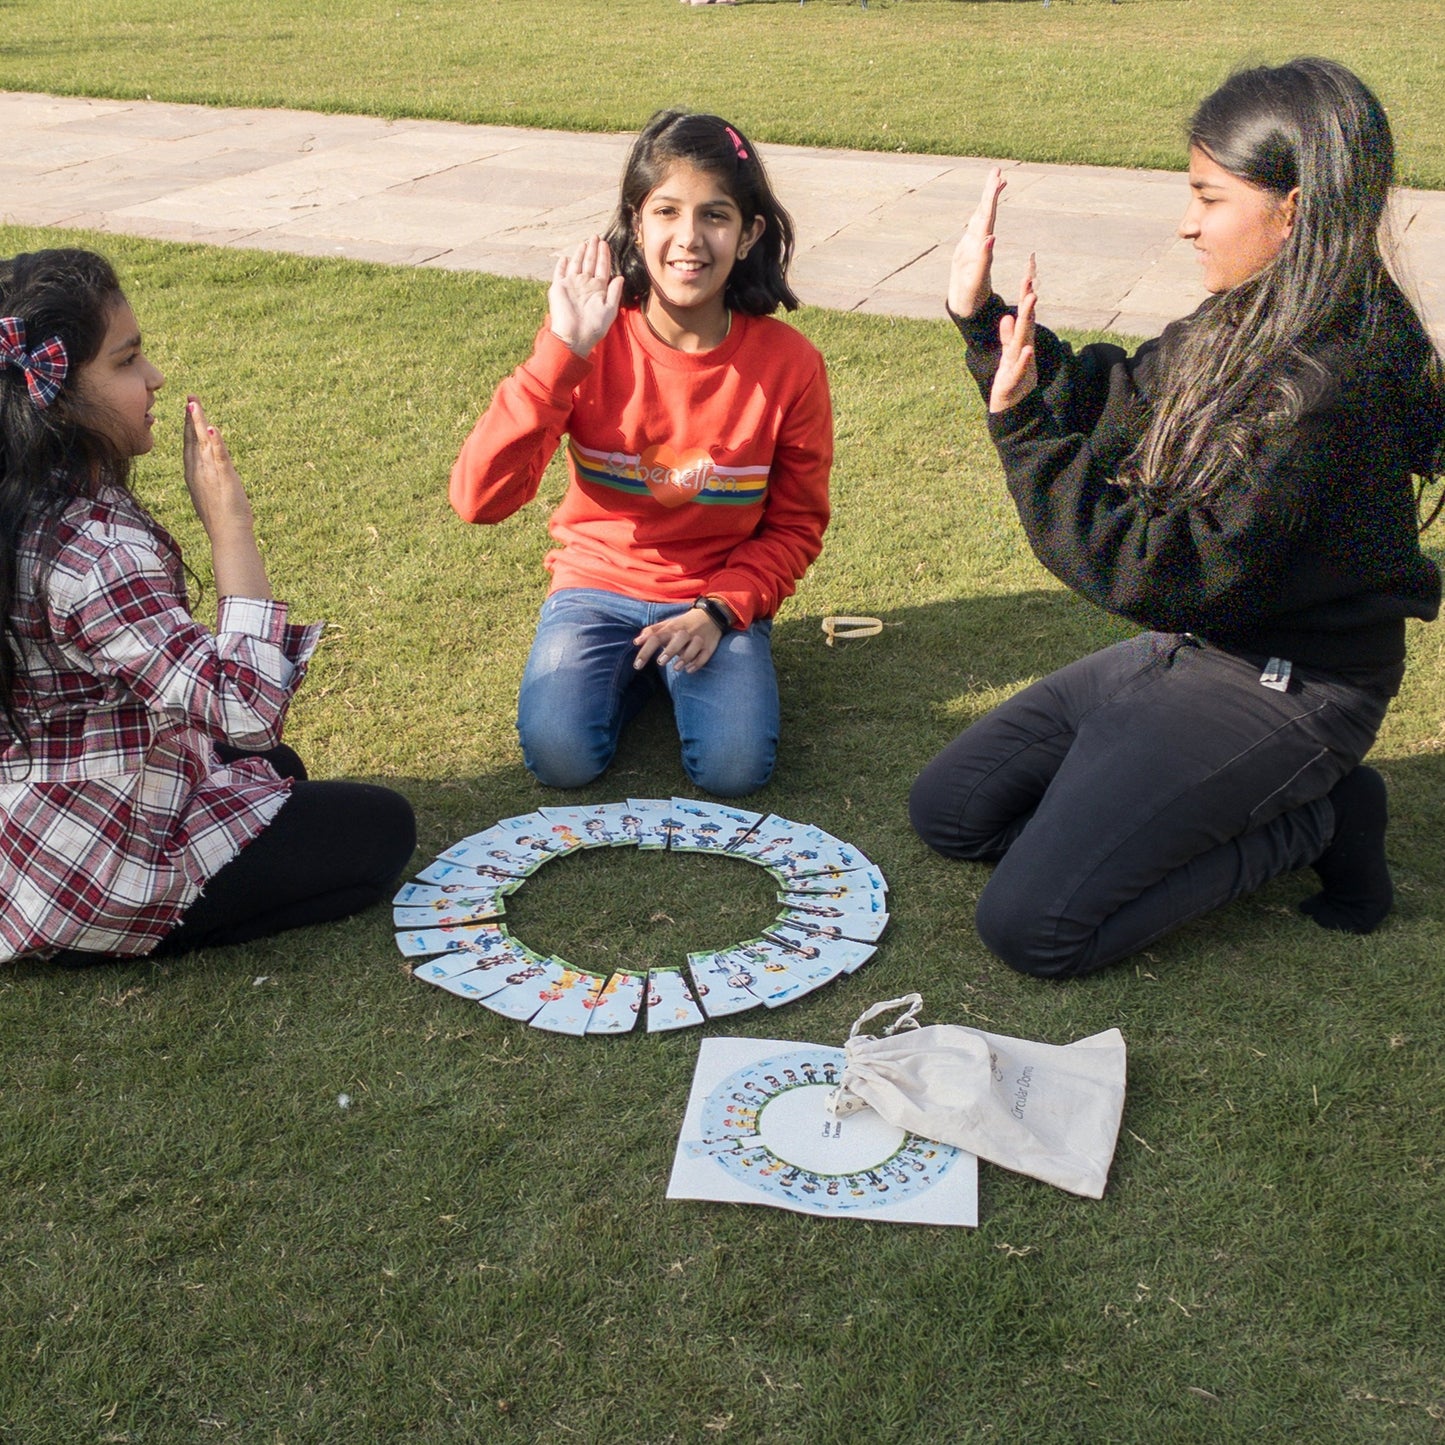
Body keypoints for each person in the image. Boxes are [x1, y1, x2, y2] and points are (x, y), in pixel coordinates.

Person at [909, 58, 1444, 979]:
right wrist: (980, 317)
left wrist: (1024, 436)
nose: (1185, 220)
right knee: (952, 811)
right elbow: (1122, 398)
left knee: (1032, 926)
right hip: (1207, 642)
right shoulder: (1256, 315)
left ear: (1292, 206)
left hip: (1296, 685)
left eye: (1207, 195)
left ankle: (1320, 816)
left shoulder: (1328, 386)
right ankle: (1164, 789)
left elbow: (1163, 570)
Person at [0, 248, 415, 963]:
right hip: (90, 867)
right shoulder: (94, 556)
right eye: (128, 361)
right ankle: (135, 925)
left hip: (39, 810)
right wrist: (231, 529)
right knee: (381, 831)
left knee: (280, 766)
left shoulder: (30, 501)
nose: (155, 377)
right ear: (58, 395)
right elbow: (248, 711)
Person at [450, 109, 832, 798]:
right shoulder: (590, 343)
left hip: (713, 596)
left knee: (733, 769)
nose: (689, 239)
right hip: (594, 591)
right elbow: (478, 499)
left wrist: (721, 610)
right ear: (636, 222)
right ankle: (636, 674)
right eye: (667, 211)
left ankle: (678, 663)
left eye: (715, 216)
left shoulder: (790, 365)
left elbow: (795, 527)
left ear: (748, 234)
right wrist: (560, 354)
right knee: (561, 757)